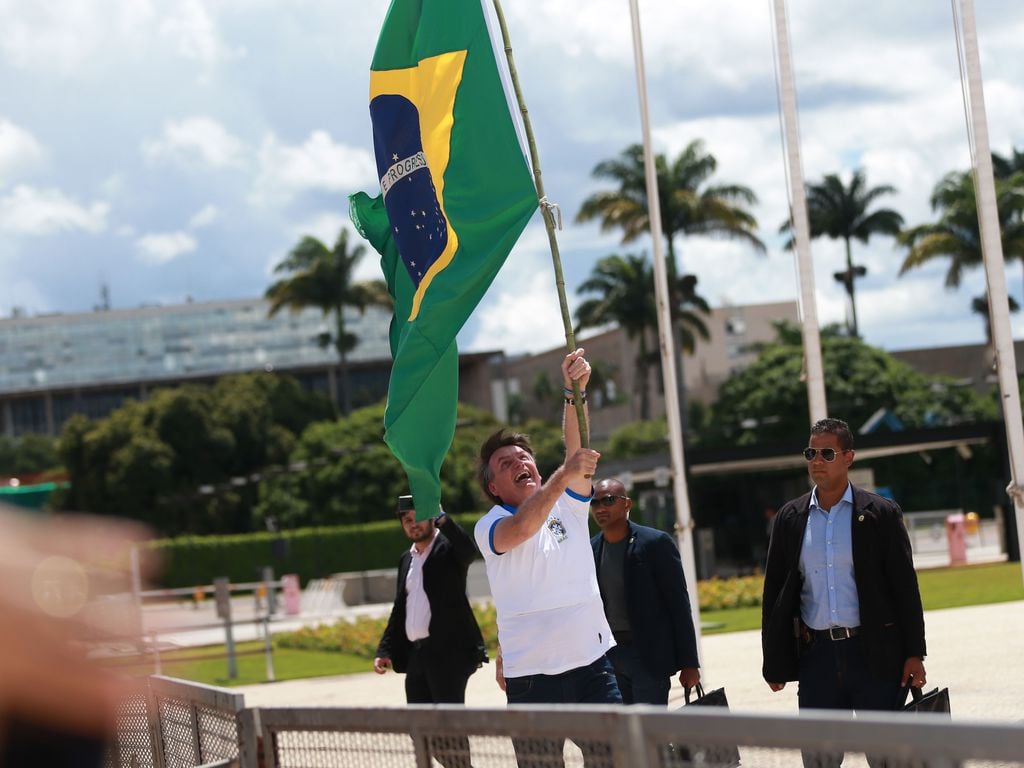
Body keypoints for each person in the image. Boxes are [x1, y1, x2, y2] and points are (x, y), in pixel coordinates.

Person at [474, 348, 619, 767]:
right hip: (532, 679)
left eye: (524, 457)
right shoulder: (489, 525)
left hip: (592, 666)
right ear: (494, 488)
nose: (520, 461)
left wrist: (575, 393)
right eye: (506, 463)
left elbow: (574, 449)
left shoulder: (569, 506)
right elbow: (521, 530)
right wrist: (561, 476)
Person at [761, 418, 927, 768]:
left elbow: (904, 588)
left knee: (889, 758)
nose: (816, 460)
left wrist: (915, 653)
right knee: (820, 760)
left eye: (826, 452)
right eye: (811, 452)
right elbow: (775, 593)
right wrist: (775, 660)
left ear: (849, 456)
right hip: (816, 656)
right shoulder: (790, 518)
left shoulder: (881, 513)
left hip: (875, 656)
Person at [589, 478, 700, 705]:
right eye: (595, 503)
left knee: (650, 733)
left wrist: (690, 663)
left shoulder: (655, 543)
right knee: (623, 734)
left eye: (609, 500)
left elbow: (678, 604)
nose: (601, 508)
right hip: (609, 657)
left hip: (648, 657)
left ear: (627, 504)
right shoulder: (590, 549)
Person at [374, 495, 488, 705]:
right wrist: (384, 649)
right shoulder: (406, 559)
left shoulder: (447, 549)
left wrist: (443, 518)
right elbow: (400, 609)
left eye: (418, 517)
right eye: (407, 520)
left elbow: (468, 551)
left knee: (449, 729)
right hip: (417, 654)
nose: (413, 524)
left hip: (449, 654)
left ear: (431, 518)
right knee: (420, 727)